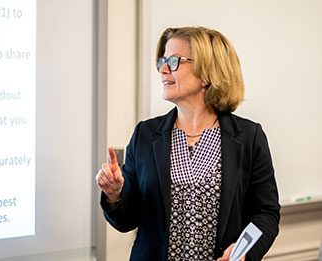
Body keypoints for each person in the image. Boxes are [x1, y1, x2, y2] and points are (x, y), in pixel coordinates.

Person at [96, 26, 280, 261]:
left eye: (173, 61)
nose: (163, 69)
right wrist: (115, 194)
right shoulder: (145, 134)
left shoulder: (248, 137)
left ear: (207, 73)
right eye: (162, 61)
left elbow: (266, 213)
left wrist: (245, 252)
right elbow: (126, 220)